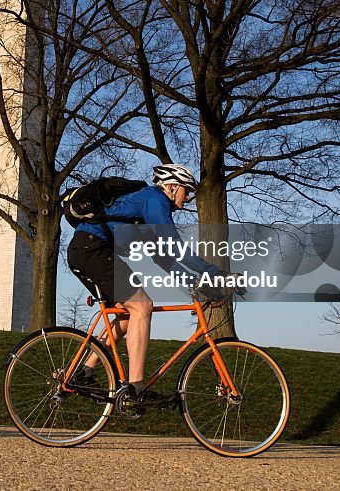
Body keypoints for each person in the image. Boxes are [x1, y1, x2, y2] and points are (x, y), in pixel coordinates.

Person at [67, 163, 223, 409]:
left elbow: (164, 258)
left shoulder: (149, 210)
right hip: (92, 249)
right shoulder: (155, 200)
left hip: (88, 250)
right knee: (143, 305)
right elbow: (175, 247)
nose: (189, 196)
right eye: (186, 190)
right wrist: (213, 272)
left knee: (128, 316)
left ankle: (84, 374)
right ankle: (136, 389)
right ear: (171, 187)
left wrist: (198, 284)